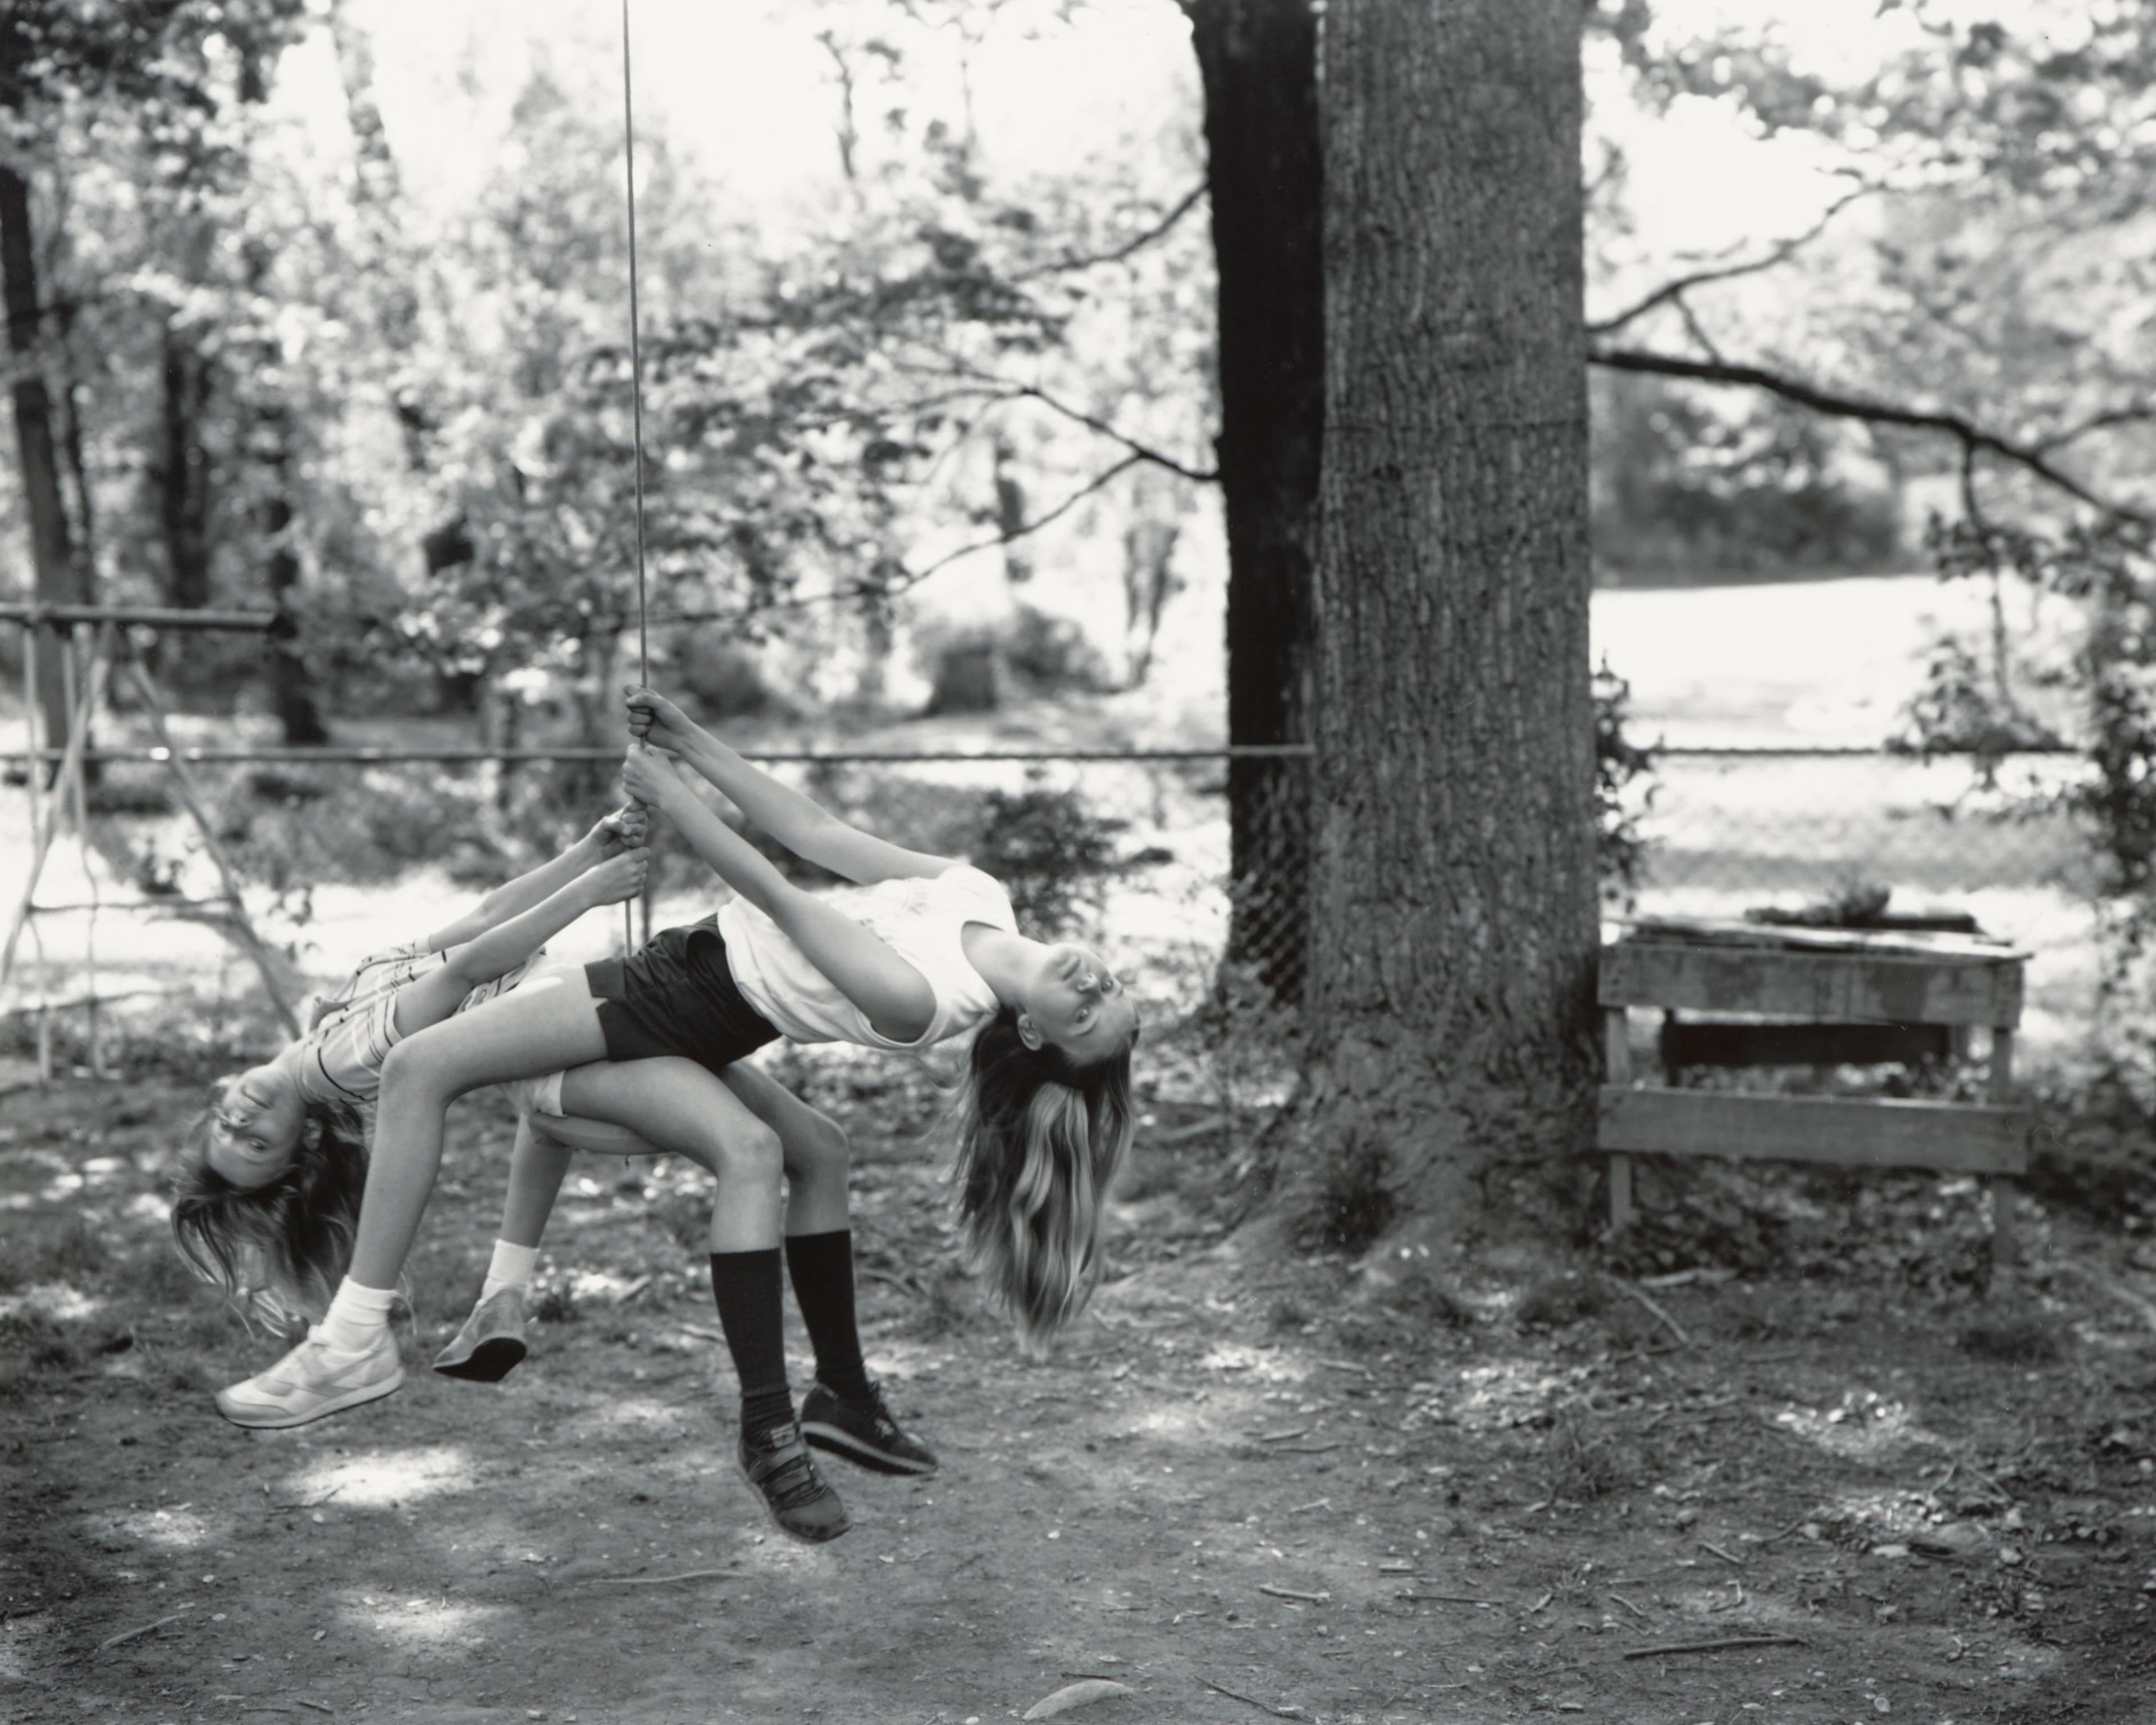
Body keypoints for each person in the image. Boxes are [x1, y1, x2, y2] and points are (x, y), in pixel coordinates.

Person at [213, 684, 1140, 1545]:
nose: (1097, 983)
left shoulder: (926, 999)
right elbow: (814, 833)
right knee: (819, 1149)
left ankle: (356, 1338)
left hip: (681, 996)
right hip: (701, 984)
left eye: (1090, 1018)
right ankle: (846, 1399)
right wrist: (695, 741)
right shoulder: (981, 896)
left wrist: (676, 794)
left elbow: (778, 895)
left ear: (1031, 1032)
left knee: (420, 1065)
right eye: (1115, 988)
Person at [170, 809, 651, 1327]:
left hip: (558, 1006)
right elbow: (469, 969)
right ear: (308, 1137)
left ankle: (504, 1294)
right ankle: (500, 1291)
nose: (240, 1124)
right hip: (561, 1012)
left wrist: (588, 852)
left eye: (226, 1128)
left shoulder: (328, 1034)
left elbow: (483, 919)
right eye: (259, 1144)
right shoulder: (334, 1066)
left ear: (219, 1096)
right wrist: (587, 892)